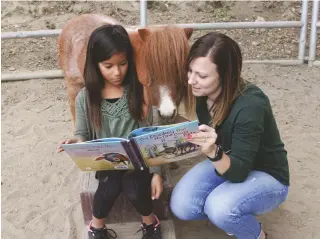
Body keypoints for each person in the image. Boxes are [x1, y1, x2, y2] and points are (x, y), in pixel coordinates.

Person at [170, 32, 290, 239]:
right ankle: (233, 214)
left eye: (202, 76)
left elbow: (238, 172)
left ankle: (256, 234)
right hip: (228, 157)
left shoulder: (250, 106)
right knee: (181, 205)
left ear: (226, 75)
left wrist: (214, 153)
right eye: (190, 71)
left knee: (220, 207)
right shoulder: (204, 94)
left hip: (265, 174)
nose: (191, 81)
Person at [57, 24, 163, 239]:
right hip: (106, 160)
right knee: (108, 187)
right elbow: (82, 133)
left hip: (138, 160)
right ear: (95, 65)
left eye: (123, 64)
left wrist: (157, 174)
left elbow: (150, 134)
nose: (117, 72)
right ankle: (97, 228)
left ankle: (150, 224)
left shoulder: (138, 91)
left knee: (135, 187)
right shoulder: (86, 98)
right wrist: (76, 141)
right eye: (108, 66)